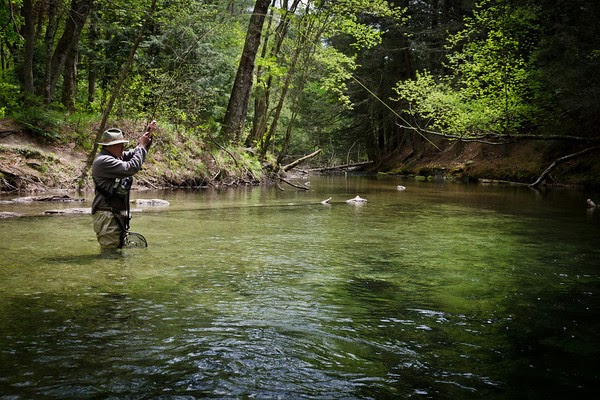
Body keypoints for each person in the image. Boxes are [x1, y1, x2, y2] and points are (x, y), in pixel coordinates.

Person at [91, 121, 156, 248]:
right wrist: (142, 146)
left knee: (116, 254)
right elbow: (131, 167)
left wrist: (147, 138)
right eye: (119, 145)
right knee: (110, 255)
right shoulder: (104, 161)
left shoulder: (115, 156)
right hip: (107, 215)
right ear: (109, 147)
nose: (123, 147)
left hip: (113, 214)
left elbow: (135, 153)